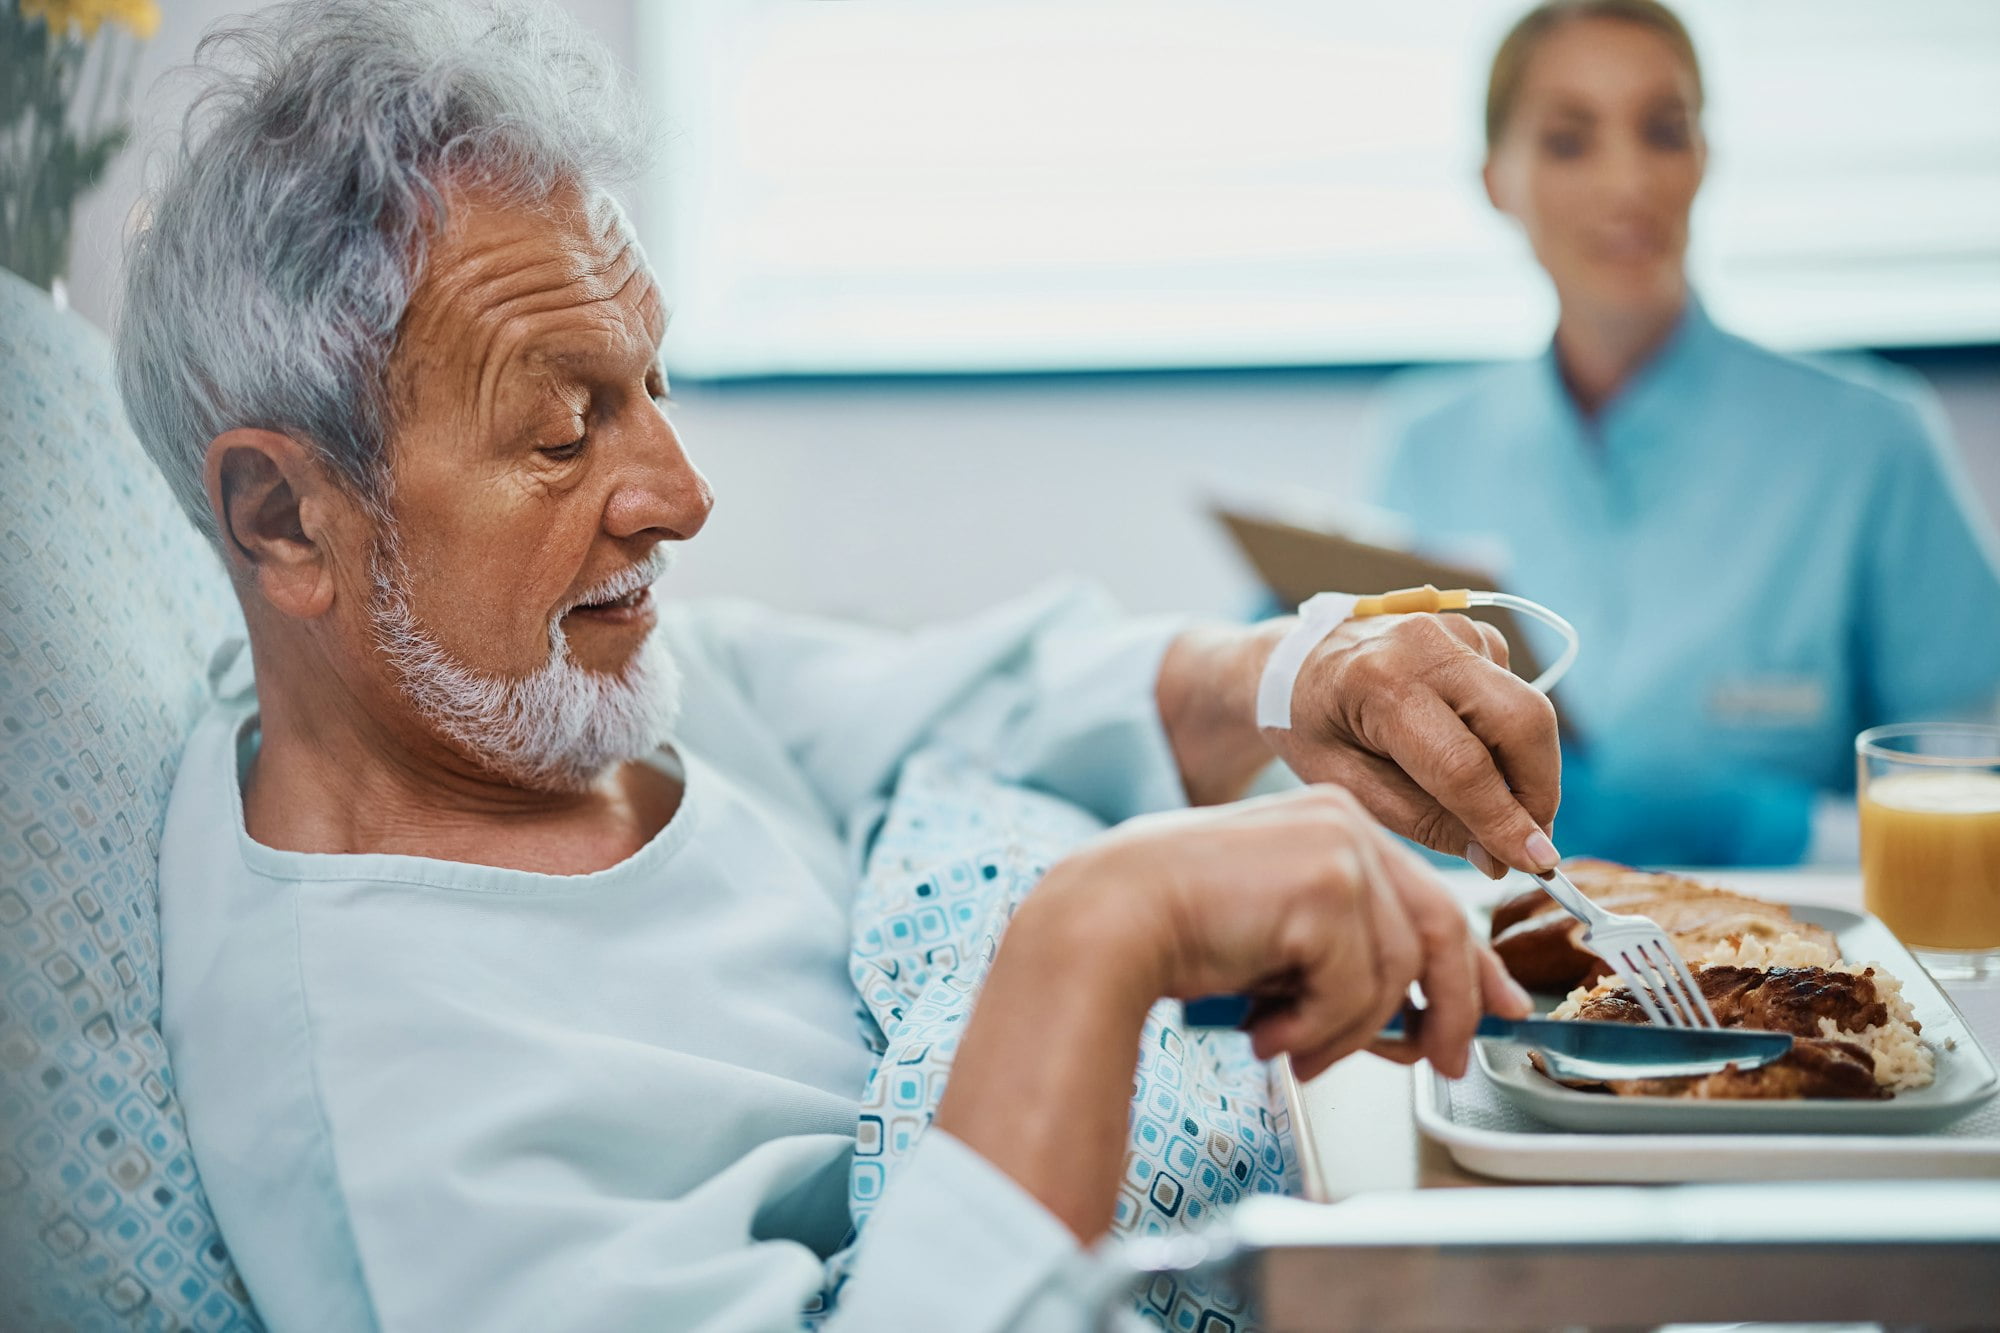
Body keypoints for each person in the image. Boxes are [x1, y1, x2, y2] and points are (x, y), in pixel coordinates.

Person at [120, 3, 1557, 1329]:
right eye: (562, 431)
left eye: (652, 384)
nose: (682, 497)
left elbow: (976, 695)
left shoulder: (548, 693)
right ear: (284, 517)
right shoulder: (397, 1110)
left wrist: (1296, 673)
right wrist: (1096, 937)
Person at [1375, 0, 2000, 867]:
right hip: (1493, 937)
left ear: (1705, 157)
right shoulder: (1425, 444)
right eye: (1569, 141)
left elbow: (1976, 792)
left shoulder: (1871, 442)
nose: (1627, 184)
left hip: (1787, 938)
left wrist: (1788, 833)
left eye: (1664, 132)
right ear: (1495, 181)